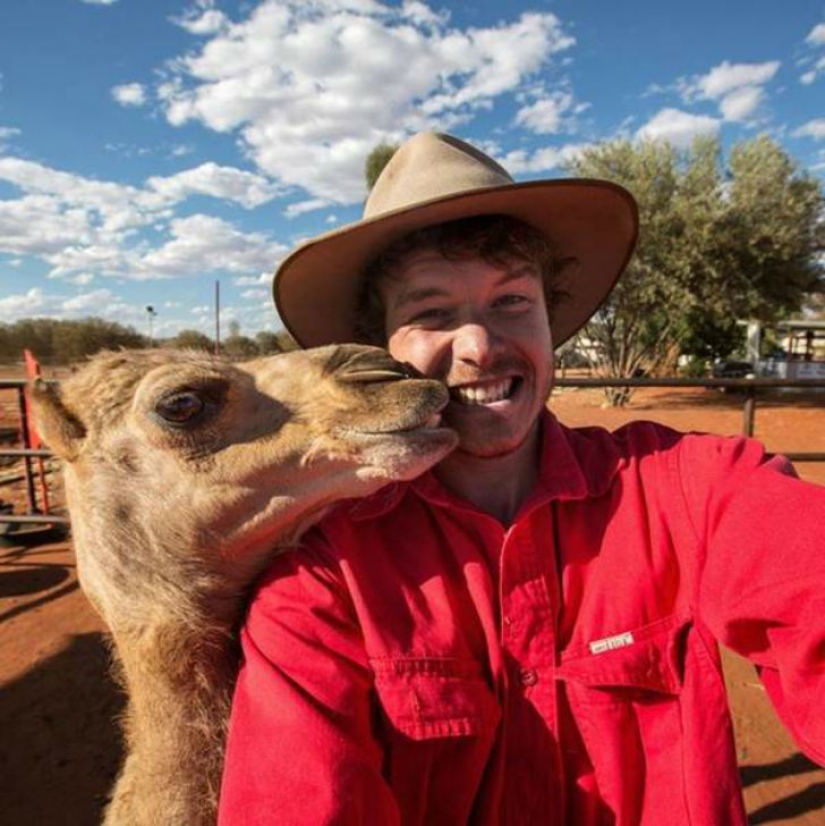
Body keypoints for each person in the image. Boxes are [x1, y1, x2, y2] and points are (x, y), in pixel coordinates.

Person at [218, 132, 825, 825]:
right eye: (430, 312)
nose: (478, 346)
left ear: (548, 320)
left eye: (510, 301)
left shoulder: (692, 489)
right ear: (378, 349)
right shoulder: (327, 574)